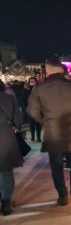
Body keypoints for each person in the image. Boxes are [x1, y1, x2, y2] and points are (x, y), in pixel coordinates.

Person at [27, 56, 71, 206]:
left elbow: (32, 112)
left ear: (47, 69)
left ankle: (62, 195)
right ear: (61, 69)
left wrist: (46, 122)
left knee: (56, 166)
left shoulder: (40, 89)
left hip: (53, 134)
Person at [0, 80, 23, 215]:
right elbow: (18, 119)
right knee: (6, 171)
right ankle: (6, 202)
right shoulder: (9, 98)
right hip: (5, 136)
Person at [24, 77, 42, 142]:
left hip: (38, 109)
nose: (32, 82)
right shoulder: (26, 89)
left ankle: (39, 137)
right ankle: (33, 137)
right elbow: (24, 99)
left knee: (38, 124)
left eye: (33, 81)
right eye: (31, 81)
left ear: (36, 81)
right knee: (31, 124)